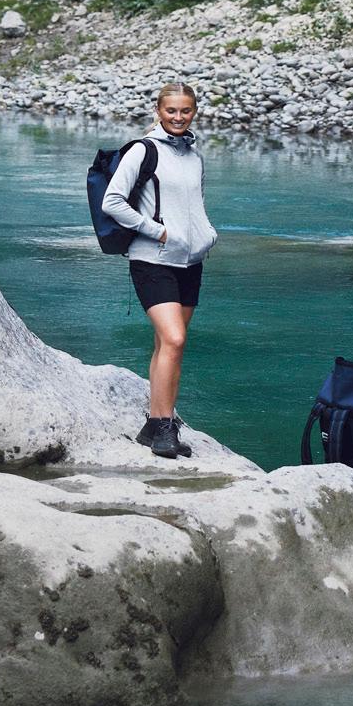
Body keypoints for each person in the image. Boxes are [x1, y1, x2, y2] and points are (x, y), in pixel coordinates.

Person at [102, 81, 217, 459]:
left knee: (168, 346)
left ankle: (154, 425)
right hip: (152, 259)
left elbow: (197, 203)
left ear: (194, 112)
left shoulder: (195, 156)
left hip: (191, 262)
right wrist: (157, 231)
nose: (178, 117)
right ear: (158, 111)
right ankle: (166, 426)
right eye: (171, 111)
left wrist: (207, 234)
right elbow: (112, 202)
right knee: (175, 338)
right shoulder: (142, 150)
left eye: (186, 111)